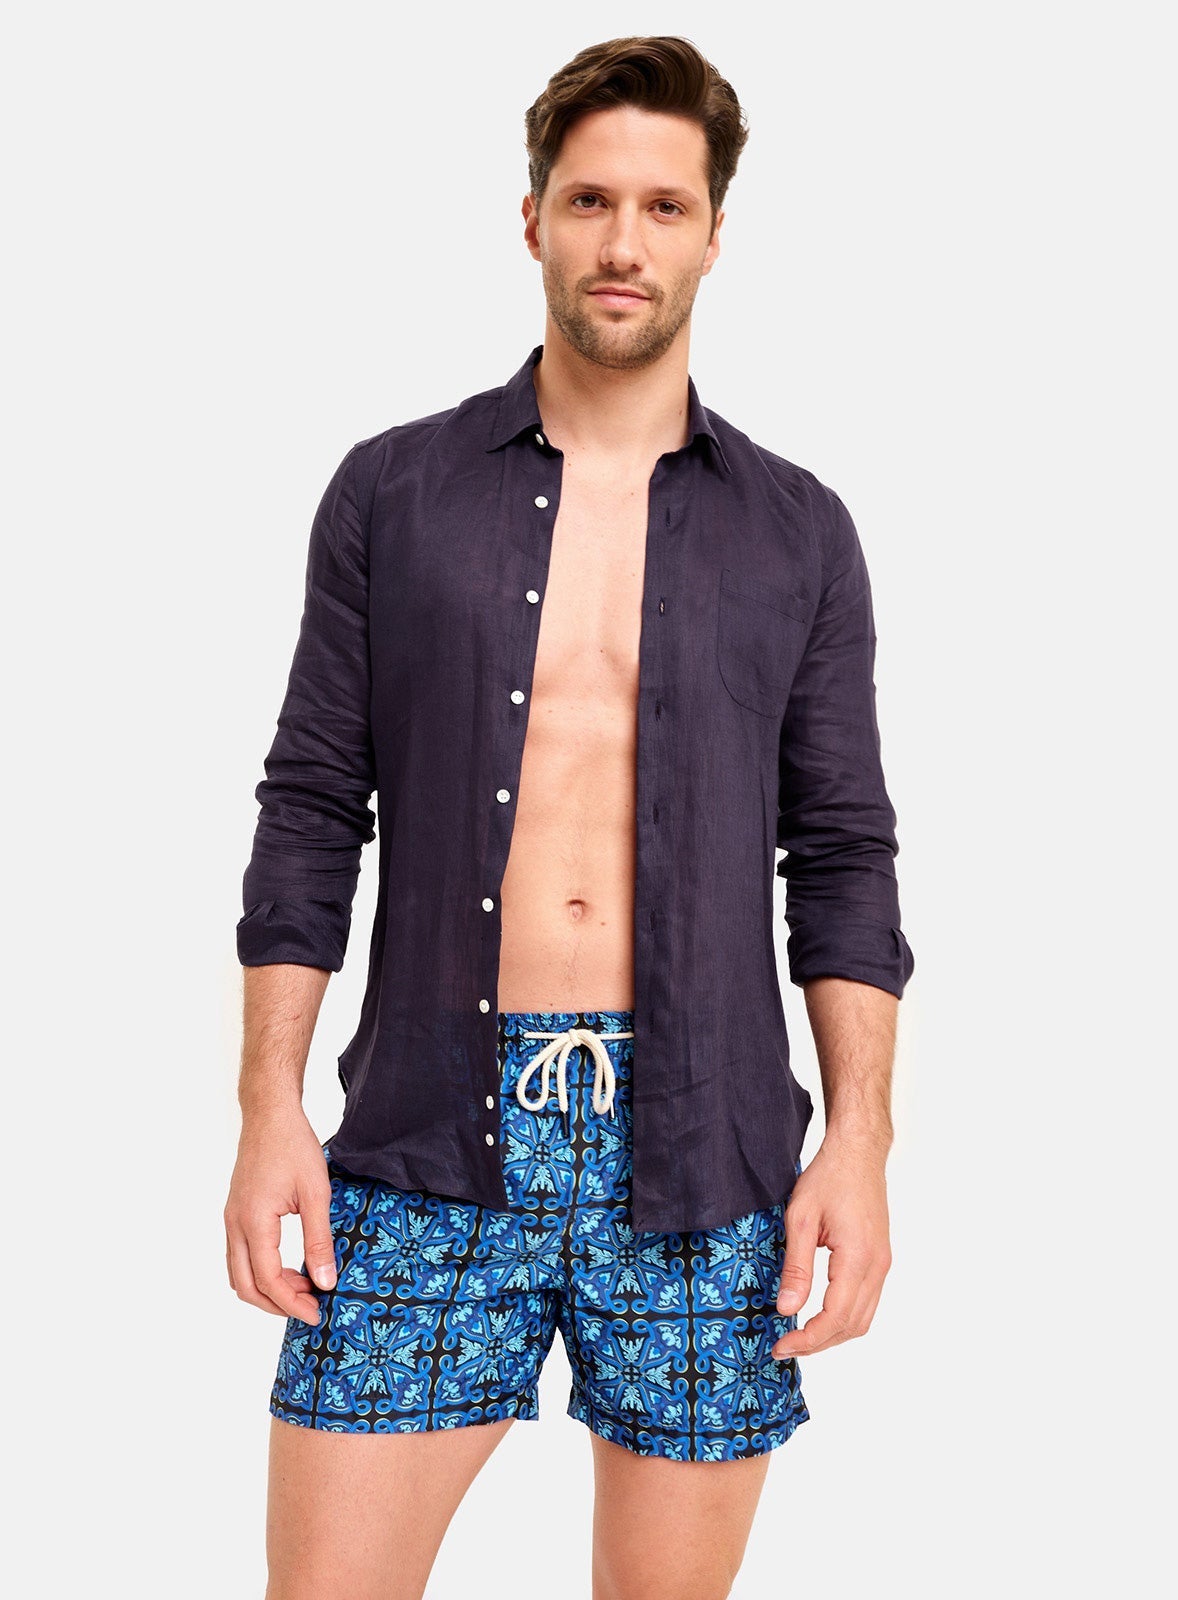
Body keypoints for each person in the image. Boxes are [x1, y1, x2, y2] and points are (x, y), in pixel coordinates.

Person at [226, 33, 915, 1600]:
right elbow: (312, 805)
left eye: (663, 207)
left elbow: (843, 854)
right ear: (531, 216)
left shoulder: (798, 531)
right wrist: (268, 1107)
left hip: (704, 1156)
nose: (623, 242)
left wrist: (860, 1141)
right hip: (422, 1143)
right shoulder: (393, 494)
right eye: (591, 199)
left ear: (713, 235)